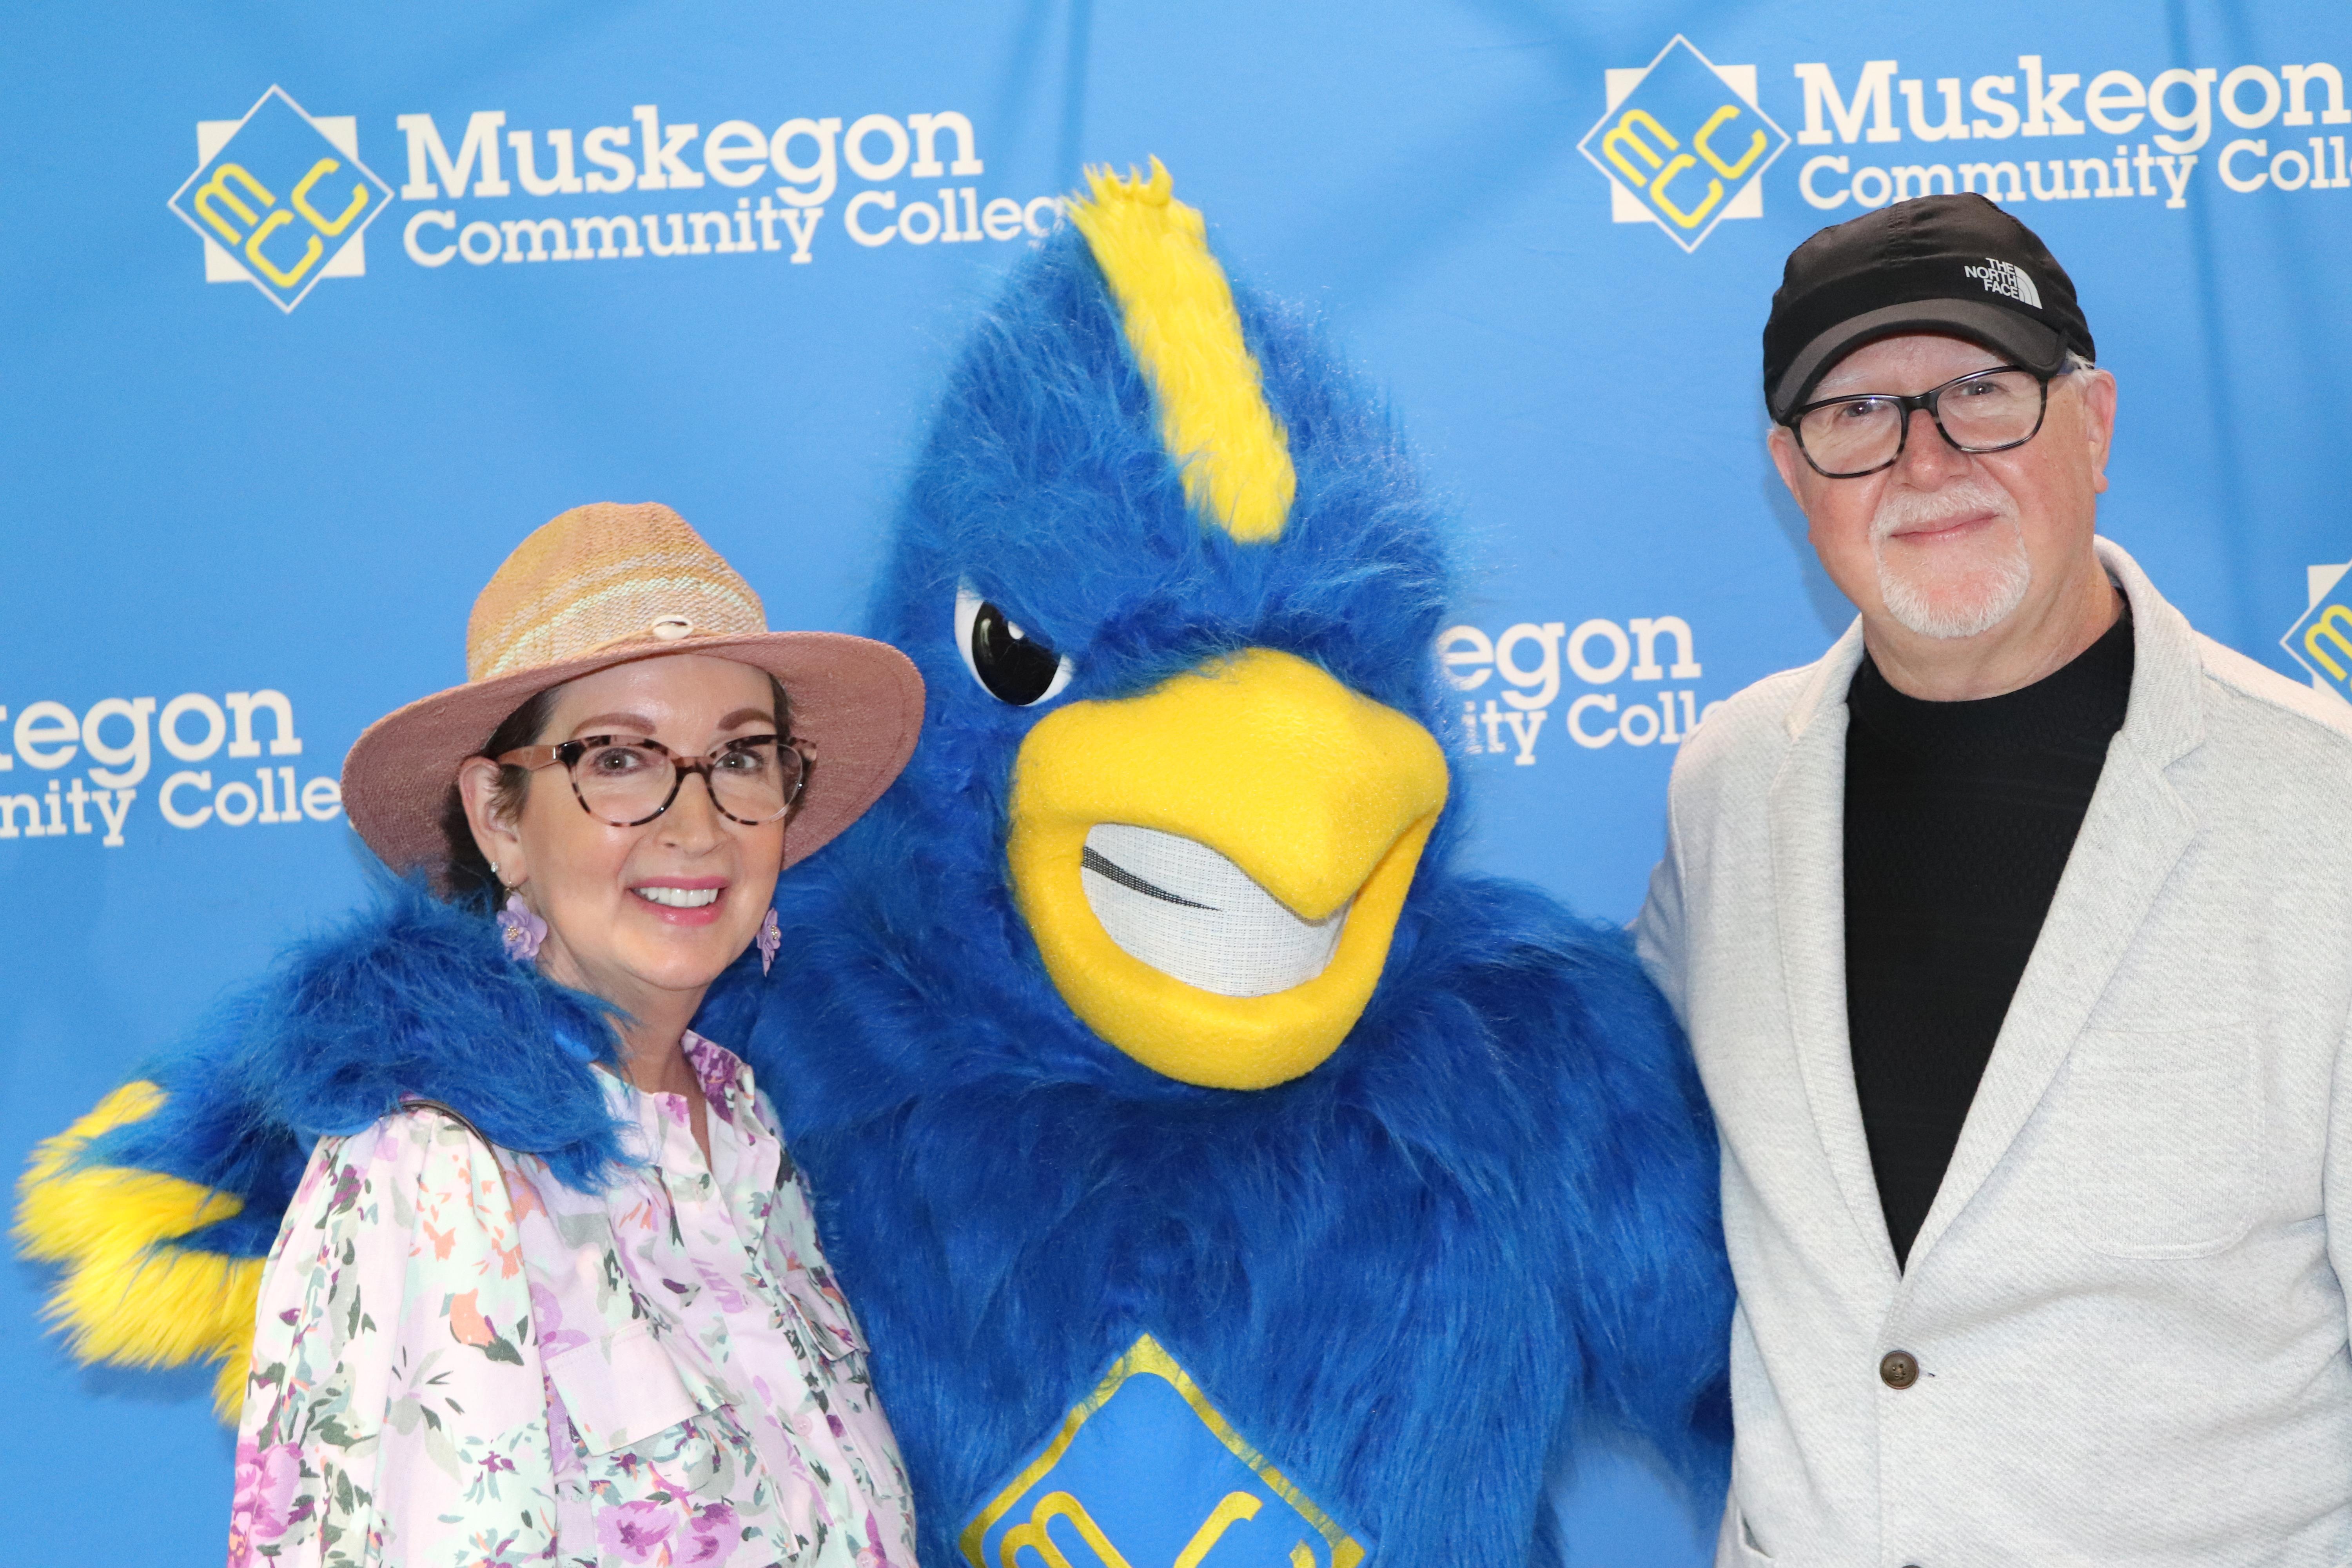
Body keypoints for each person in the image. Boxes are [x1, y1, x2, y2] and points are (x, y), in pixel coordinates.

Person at [1636, 192, 2352, 1565]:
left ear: (2094, 423)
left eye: (1981, 392)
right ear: (1793, 473)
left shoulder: (2326, 809)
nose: (1926, 460)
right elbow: (1603, 1133)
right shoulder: (1727, 782)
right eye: (1857, 414)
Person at [13, 501, 923, 1567]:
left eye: (740, 756)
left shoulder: (745, 1123)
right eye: (619, 760)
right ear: (500, 816)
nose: (696, 822)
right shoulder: (433, 1168)